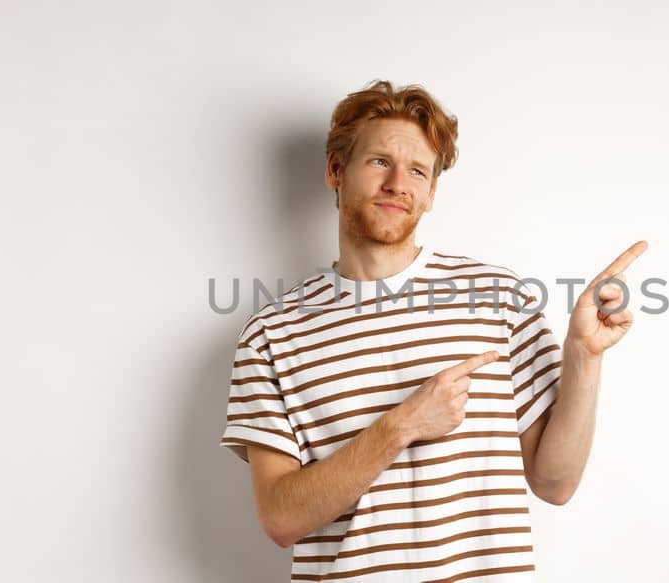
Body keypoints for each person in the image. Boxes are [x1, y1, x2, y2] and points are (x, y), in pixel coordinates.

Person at [220, 79, 646, 582]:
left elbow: (555, 483)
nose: (398, 182)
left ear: (431, 192)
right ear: (336, 171)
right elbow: (281, 518)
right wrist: (403, 425)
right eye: (379, 161)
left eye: (418, 170)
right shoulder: (272, 333)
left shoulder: (496, 297)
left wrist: (584, 356)